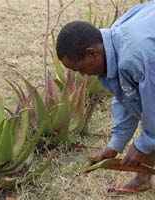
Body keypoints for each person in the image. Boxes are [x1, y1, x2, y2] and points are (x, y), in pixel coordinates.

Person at [56, 0, 155, 194]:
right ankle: (142, 179)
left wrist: (143, 145)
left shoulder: (137, 57)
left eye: (80, 69)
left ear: (92, 53)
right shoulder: (114, 41)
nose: (83, 75)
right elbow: (129, 96)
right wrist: (115, 145)